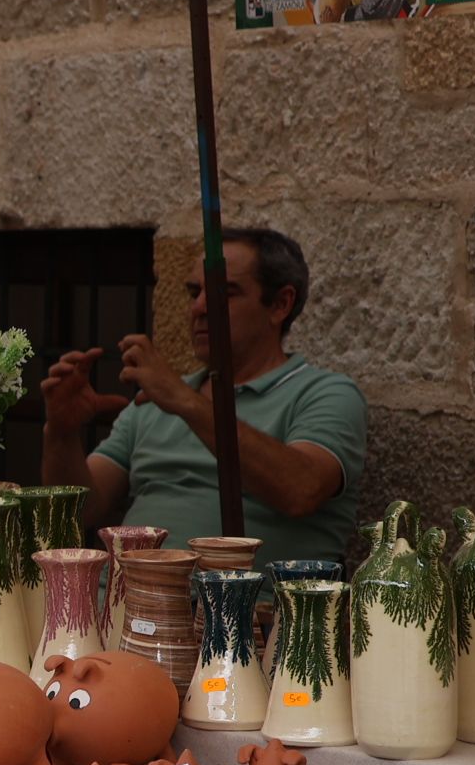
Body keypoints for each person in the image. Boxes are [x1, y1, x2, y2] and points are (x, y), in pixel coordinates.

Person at [39, 226, 367, 565]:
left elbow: (301, 489)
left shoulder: (326, 393)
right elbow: (80, 511)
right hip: (121, 603)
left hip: (247, 611)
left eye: (224, 292)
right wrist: (62, 434)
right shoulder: (154, 402)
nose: (199, 308)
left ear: (281, 304)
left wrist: (185, 401)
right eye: (194, 292)